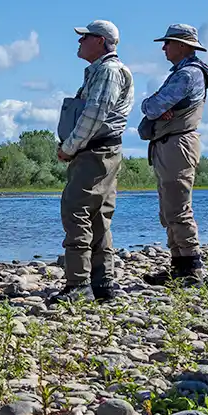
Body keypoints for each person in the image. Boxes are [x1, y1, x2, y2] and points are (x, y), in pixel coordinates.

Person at [52, 20, 134, 304]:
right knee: (98, 214)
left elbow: (93, 115)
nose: (79, 42)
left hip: (95, 152)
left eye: (84, 37)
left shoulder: (108, 72)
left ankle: (78, 284)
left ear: (100, 41)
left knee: (76, 211)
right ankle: (103, 283)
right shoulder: (103, 71)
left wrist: (69, 147)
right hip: (101, 152)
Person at [139, 23, 208, 287]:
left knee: (178, 207)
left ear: (182, 46)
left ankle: (193, 267)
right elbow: (154, 107)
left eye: (168, 43)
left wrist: (157, 108)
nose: (164, 47)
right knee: (169, 207)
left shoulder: (187, 75)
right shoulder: (185, 73)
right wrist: (157, 108)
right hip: (170, 144)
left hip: (177, 145)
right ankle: (180, 265)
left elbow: (151, 106)